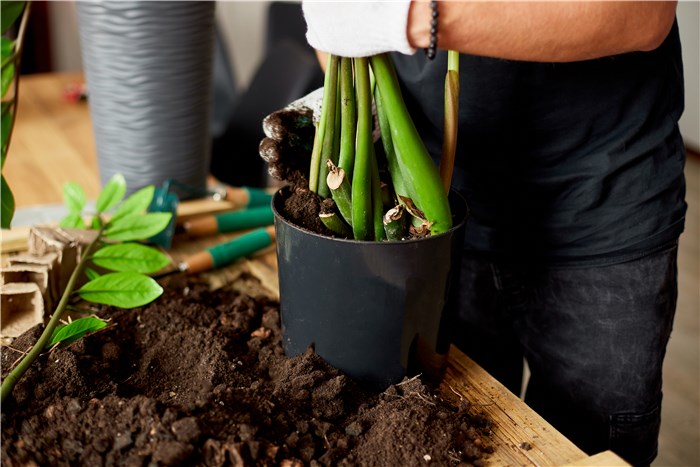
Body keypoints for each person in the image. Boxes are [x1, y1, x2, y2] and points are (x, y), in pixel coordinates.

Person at [261, 2, 687, 465]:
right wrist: (359, 110)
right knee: (447, 444)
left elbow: (643, 14)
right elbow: (341, 19)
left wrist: (398, 19)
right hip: (422, 221)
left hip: (600, 219)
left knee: (588, 449)